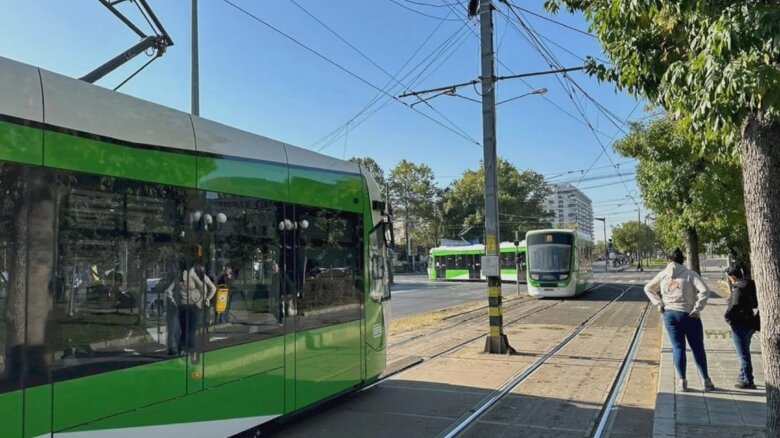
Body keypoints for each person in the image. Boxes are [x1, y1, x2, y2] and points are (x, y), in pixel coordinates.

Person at [644, 248, 715, 392]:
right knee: (697, 347)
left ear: (668, 260)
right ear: (683, 260)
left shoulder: (663, 275)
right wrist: (697, 308)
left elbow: (648, 288)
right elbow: (705, 290)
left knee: (678, 347)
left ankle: (682, 381)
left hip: (669, 314)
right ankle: (706, 381)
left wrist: (658, 303)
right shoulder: (690, 274)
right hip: (689, 314)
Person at [725, 265, 760, 389]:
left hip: (739, 325)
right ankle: (742, 375)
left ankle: (747, 379)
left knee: (743, 354)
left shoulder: (737, 291)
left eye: (729, 278)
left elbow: (733, 309)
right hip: (750, 323)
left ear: (733, 277)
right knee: (745, 349)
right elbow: (754, 304)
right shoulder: (750, 285)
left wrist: (728, 318)